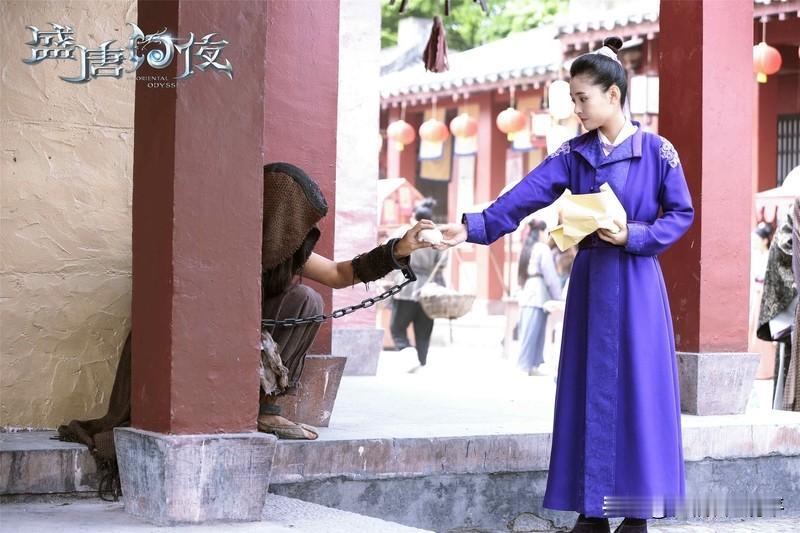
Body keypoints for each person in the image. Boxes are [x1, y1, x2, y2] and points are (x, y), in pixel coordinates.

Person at [434, 36, 694, 533]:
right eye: (573, 99)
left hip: (637, 283)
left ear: (613, 95)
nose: (576, 109)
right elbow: (527, 194)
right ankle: (591, 512)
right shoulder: (574, 153)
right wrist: (471, 227)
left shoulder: (658, 152)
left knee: (639, 392)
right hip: (591, 284)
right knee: (589, 392)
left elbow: (681, 214)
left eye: (582, 98)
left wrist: (635, 235)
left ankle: (636, 515)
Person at [259, 162, 435, 438]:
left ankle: (268, 407)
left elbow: (337, 273)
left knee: (307, 300)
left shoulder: (286, 254)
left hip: (263, 343)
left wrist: (398, 250)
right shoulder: (240, 242)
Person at [389, 198, 446, 373]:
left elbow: (388, 251)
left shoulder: (404, 231)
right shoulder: (436, 235)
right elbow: (441, 264)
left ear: (414, 216)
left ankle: (407, 354)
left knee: (397, 328)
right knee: (424, 330)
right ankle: (421, 362)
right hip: (428, 288)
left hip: (405, 284)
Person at [516, 220, 561, 376]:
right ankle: (525, 365)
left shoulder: (527, 247)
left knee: (531, 330)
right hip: (538, 292)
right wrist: (558, 297)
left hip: (528, 290)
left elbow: (520, 275)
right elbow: (550, 275)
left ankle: (532, 364)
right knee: (532, 331)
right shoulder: (542, 248)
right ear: (541, 232)